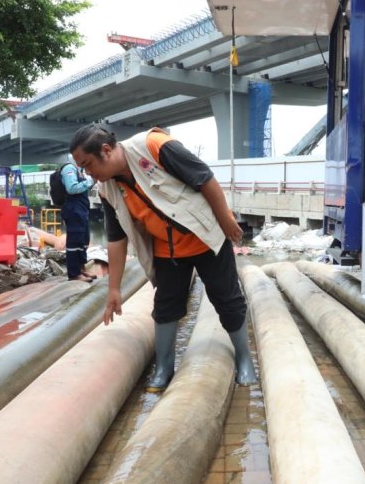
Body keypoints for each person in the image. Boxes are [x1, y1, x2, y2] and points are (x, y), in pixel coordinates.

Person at [69, 123, 257, 391]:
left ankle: (244, 359)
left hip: (205, 239)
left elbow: (204, 178)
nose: (88, 173)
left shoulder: (153, 146)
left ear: (106, 150)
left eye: (88, 165)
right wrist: (114, 289)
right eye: (83, 168)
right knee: (165, 307)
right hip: (167, 250)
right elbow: (116, 238)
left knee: (227, 299)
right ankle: (164, 369)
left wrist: (226, 219)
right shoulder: (106, 190)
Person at [60, 155, 96, 282]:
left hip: (81, 210)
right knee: (74, 243)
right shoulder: (69, 168)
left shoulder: (79, 171)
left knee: (83, 241)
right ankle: (74, 274)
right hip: (73, 211)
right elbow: (71, 188)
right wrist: (91, 181)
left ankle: (81, 269)